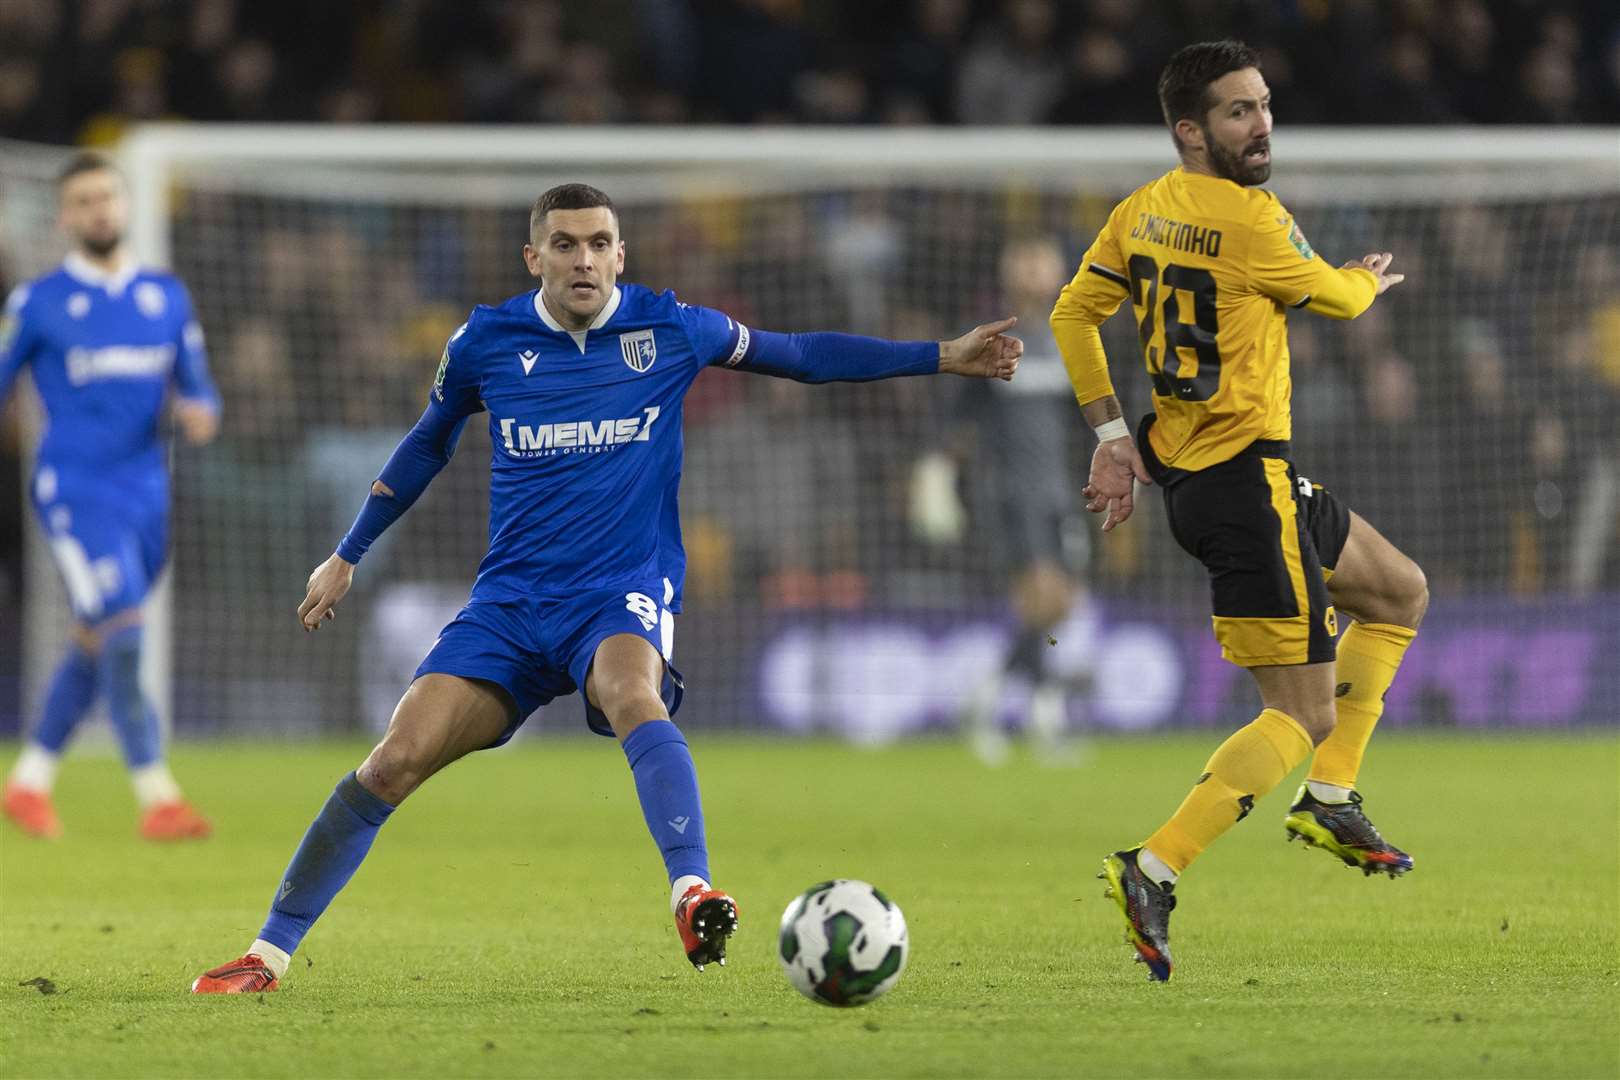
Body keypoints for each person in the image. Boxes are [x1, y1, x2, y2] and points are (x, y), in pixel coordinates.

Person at [191, 183, 1022, 993]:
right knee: (392, 762)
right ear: (534, 258)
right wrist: (347, 555)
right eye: (565, 244)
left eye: (598, 244)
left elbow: (799, 355)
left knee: (634, 692)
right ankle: (267, 955)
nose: (583, 259)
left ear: (621, 254)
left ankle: (691, 892)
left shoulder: (672, 328)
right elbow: (425, 446)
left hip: (620, 588)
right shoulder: (486, 341)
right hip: (511, 604)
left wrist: (943, 356)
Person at [1050, 40, 1425, 981]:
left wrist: (1108, 437)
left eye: (1262, 106)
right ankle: (1154, 865)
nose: (1260, 125)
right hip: (1244, 489)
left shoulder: (1141, 213)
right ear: (1191, 130)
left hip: (1218, 474)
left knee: (1398, 591)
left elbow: (1071, 314)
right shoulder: (1254, 220)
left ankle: (1332, 797)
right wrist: (1368, 281)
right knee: (1297, 711)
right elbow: (1337, 301)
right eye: (1237, 112)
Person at [1, 152, 219, 842]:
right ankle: (158, 796)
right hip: (75, 488)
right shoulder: (36, 302)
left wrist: (200, 410)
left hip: (147, 494)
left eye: (108, 198)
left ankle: (29, 782)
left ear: (124, 207)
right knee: (124, 629)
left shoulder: (166, 297)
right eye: (85, 201)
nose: (99, 211)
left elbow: (198, 384)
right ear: (66, 217)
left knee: (100, 636)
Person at [953, 234, 1091, 765]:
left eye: (1043, 261)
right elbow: (959, 420)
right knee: (1043, 593)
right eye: (1026, 261)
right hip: (1010, 489)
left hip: (1061, 488)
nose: (1035, 272)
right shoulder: (993, 340)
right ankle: (1044, 715)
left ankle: (988, 698)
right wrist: (940, 474)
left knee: (1058, 604)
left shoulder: (1071, 338)